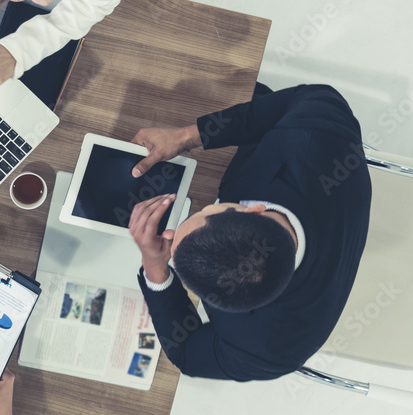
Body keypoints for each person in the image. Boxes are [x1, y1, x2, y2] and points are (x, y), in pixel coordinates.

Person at [126, 84, 372, 381]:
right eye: (205, 212)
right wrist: (186, 137)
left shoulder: (267, 350)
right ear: (254, 209)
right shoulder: (319, 136)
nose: (203, 207)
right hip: (284, 152)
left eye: (203, 211)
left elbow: (188, 353)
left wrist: (155, 266)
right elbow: (306, 98)